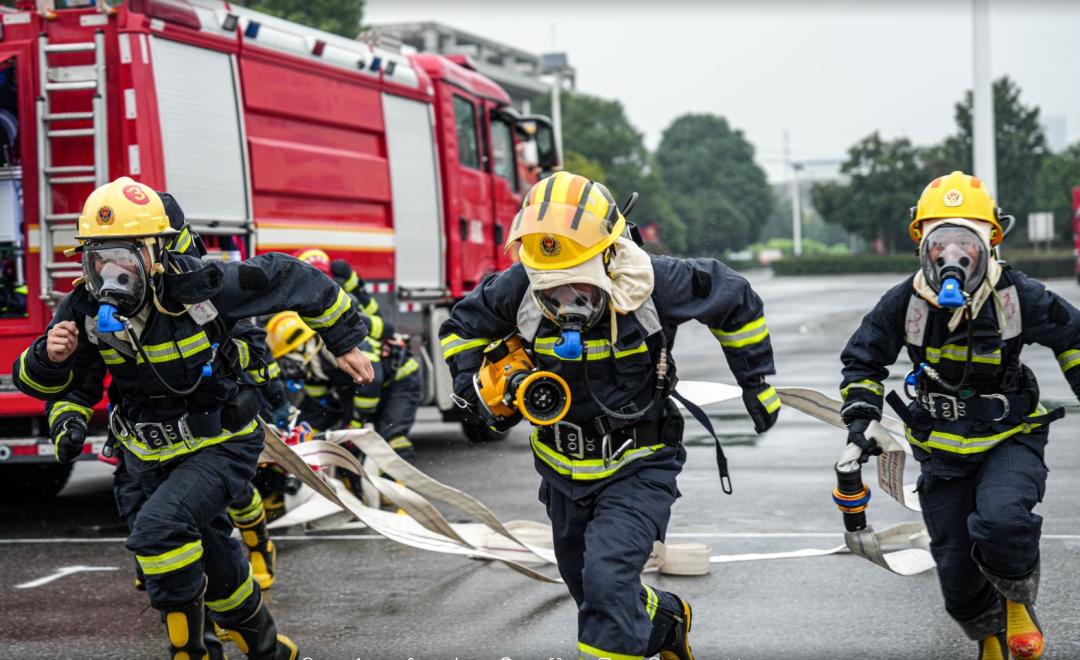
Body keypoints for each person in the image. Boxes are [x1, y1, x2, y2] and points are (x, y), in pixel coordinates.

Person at [14, 177, 373, 660]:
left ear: (154, 253)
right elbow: (58, 384)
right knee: (216, 564)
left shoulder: (201, 284)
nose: (111, 271)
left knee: (159, 532)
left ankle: (191, 653)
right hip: (146, 456)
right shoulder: (83, 307)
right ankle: (268, 650)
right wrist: (49, 359)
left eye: (124, 256)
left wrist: (343, 340)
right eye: (99, 257)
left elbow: (293, 277)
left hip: (219, 443)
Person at [439, 171, 780, 660]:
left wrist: (756, 380)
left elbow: (734, 298)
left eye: (578, 285)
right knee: (589, 588)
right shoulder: (519, 285)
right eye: (552, 291)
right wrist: (476, 389)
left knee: (607, 584)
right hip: (560, 470)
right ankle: (663, 620)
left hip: (641, 464)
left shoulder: (655, 282)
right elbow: (460, 328)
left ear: (608, 256)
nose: (567, 303)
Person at [839, 171, 1080, 660]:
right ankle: (989, 638)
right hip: (941, 447)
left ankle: (1017, 603)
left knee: (1003, 521)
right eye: (940, 242)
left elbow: (1073, 336)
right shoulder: (905, 302)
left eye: (965, 242)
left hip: (1010, 435)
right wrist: (860, 421)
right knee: (955, 566)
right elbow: (863, 361)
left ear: (990, 243)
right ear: (922, 246)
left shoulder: (1016, 295)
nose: (952, 255)